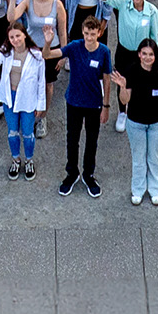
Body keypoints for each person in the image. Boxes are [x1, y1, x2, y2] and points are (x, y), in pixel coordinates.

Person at [0, 22, 45, 177]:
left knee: (28, 133)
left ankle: (29, 160)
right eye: (11, 37)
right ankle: (16, 159)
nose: (15, 40)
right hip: (10, 98)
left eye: (18, 36)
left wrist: (40, 105)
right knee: (13, 132)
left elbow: (41, 82)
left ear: (24, 35)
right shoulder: (5, 52)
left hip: (28, 99)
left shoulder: (36, 55)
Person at [58, 17, 111, 198]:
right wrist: (48, 40)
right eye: (87, 33)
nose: (89, 37)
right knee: (72, 139)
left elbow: (107, 78)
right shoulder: (74, 46)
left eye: (93, 34)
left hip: (94, 104)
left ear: (99, 33)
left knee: (91, 140)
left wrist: (106, 105)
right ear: (82, 32)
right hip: (73, 101)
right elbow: (48, 55)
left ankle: (88, 175)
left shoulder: (104, 51)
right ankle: (72, 173)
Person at [118, 38, 158, 205]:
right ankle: (138, 190)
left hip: (156, 122)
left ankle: (156, 190)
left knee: (155, 157)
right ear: (139, 54)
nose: (148, 57)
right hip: (136, 123)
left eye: (151, 54)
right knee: (138, 158)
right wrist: (122, 86)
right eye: (145, 54)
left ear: (156, 56)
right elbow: (124, 100)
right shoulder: (131, 71)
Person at [14, 0, 67, 137]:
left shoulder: (57, 4)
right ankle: (29, 112)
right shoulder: (28, 1)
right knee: (29, 81)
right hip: (32, 50)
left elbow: (63, 31)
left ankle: (43, 116)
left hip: (51, 50)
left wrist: (64, 55)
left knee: (47, 85)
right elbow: (11, 17)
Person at [109, 0, 158, 127]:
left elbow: (154, 37)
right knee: (121, 81)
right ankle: (122, 112)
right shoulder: (123, 4)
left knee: (142, 81)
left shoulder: (152, 11)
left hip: (142, 54)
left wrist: (152, 58)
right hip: (124, 52)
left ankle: (140, 110)